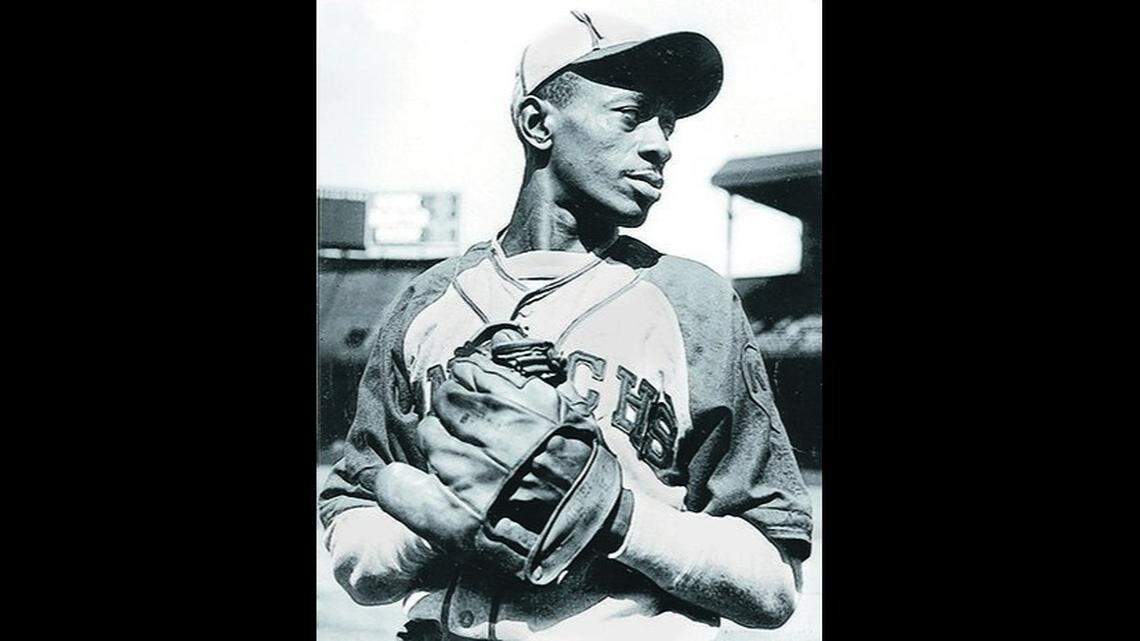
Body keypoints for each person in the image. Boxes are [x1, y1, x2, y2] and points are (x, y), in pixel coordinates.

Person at [319, 10, 813, 641]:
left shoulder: (695, 302)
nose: (661, 145)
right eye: (632, 115)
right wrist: (434, 528)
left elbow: (773, 587)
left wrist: (616, 516)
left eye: (667, 125)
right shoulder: (428, 300)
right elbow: (353, 529)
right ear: (537, 123)